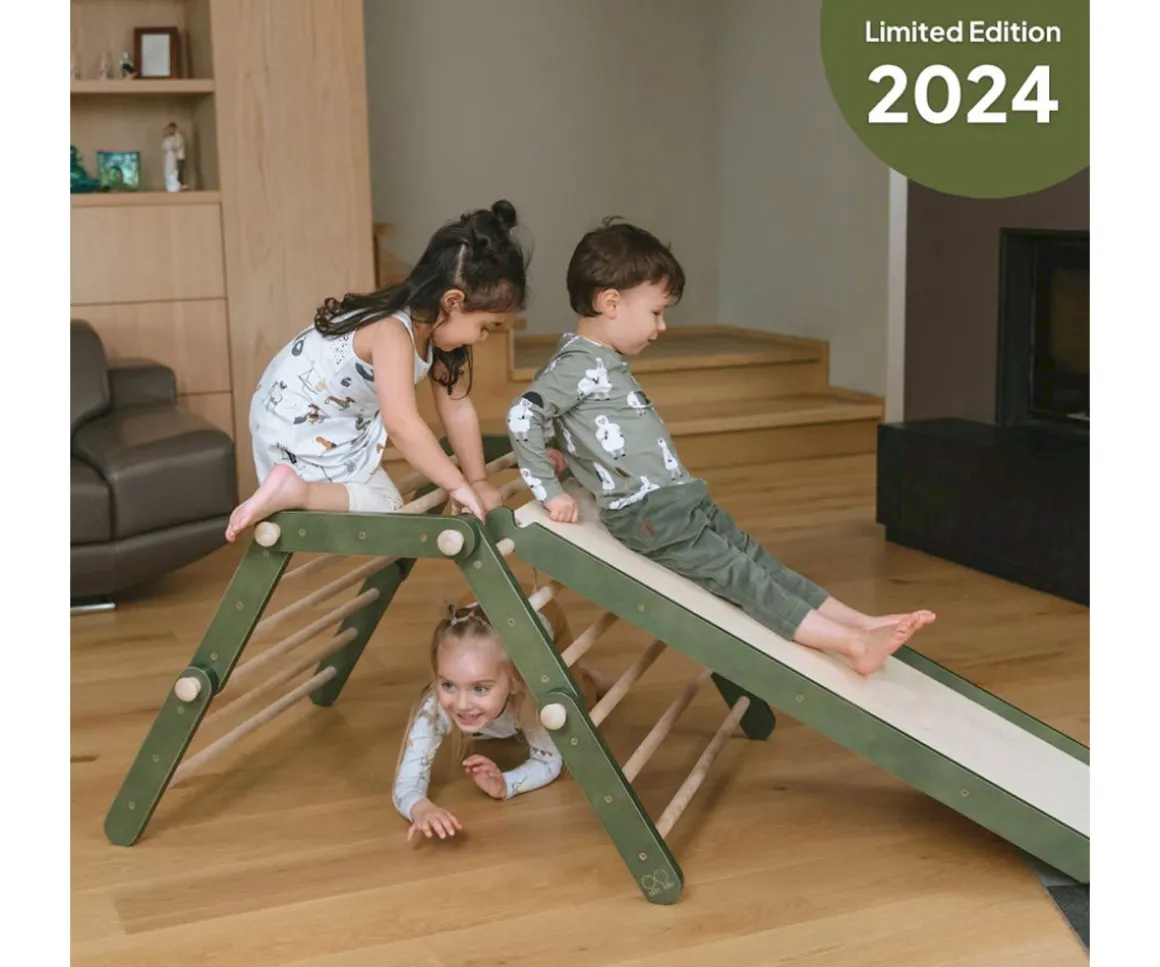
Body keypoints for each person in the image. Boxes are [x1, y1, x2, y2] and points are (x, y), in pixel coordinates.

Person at [504, 218, 935, 677]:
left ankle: (859, 623)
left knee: (756, 561)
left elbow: (573, 425)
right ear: (610, 302)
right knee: (740, 576)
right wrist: (550, 489)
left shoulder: (598, 361)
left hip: (677, 499)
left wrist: (555, 451)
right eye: (656, 312)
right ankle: (852, 644)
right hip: (649, 514)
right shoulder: (576, 364)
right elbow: (522, 416)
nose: (662, 326)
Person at [225, 200, 530, 542]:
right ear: (452, 302)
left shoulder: (435, 335)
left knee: (387, 503)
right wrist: (457, 485)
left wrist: (477, 481)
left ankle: (296, 488)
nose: (483, 338)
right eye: (485, 327)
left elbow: (457, 409)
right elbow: (401, 423)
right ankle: (297, 490)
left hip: (334, 423)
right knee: (387, 506)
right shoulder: (392, 332)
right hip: (296, 421)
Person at [393, 593, 612, 841]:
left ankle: (587, 675)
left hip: (543, 612)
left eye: (480, 688)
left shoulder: (533, 699)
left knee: (579, 703)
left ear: (516, 683)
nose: (461, 704)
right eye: (448, 684)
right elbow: (407, 783)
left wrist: (506, 784)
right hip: (476, 604)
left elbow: (549, 761)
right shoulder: (434, 708)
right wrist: (420, 808)